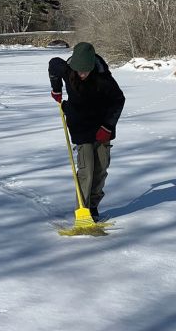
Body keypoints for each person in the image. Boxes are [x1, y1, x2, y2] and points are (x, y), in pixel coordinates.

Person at [48, 42, 125, 221]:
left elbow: (118, 100)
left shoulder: (103, 78)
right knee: (86, 170)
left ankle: (93, 205)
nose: (81, 74)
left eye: (85, 70)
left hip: (102, 127)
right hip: (80, 126)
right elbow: (53, 64)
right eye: (78, 70)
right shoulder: (68, 70)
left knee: (101, 169)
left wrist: (107, 126)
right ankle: (83, 211)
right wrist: (56, 88)